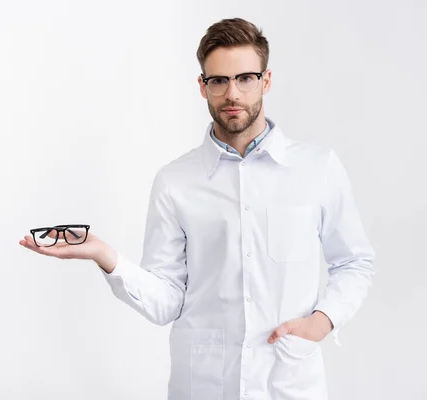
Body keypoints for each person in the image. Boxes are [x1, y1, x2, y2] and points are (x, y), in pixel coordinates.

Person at [19, 17, 375, 400]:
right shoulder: (176, 182)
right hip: (204, 387)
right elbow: (167, 301)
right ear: (202, 87)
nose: (232, 93)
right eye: (218, 81)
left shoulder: (317, 168)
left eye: (245, 78)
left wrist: (323, 321)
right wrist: (105, 255)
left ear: (266, 81)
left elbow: (354, 262)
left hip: (288, 384)